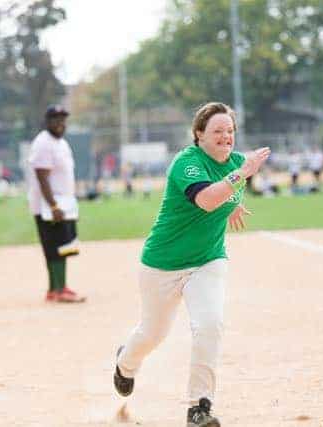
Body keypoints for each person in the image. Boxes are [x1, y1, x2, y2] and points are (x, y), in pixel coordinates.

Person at [113, 102, 270, 427]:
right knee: (152, 334)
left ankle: (199, 407)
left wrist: (234, 205)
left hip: (207, 261)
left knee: (210, 325)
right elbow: (207, 199)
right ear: (199, 134)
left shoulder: (236, 163)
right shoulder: (187, 162)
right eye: (217, 131)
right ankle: (125, 364)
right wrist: (241, 175)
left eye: (230, 131)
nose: (226, 136)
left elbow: (226, 193)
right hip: (162, 264)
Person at [28, 104, 86, 303]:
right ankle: (59, 289)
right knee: (55, 247)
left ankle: (56, 288)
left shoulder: (61, 143)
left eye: (63, 119)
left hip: (64, 203)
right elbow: (42, 177)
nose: (60, 123)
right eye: (56, 119)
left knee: (63, 246)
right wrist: (53, 206)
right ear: (47, 121)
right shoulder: (43, 143)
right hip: (49, 206)